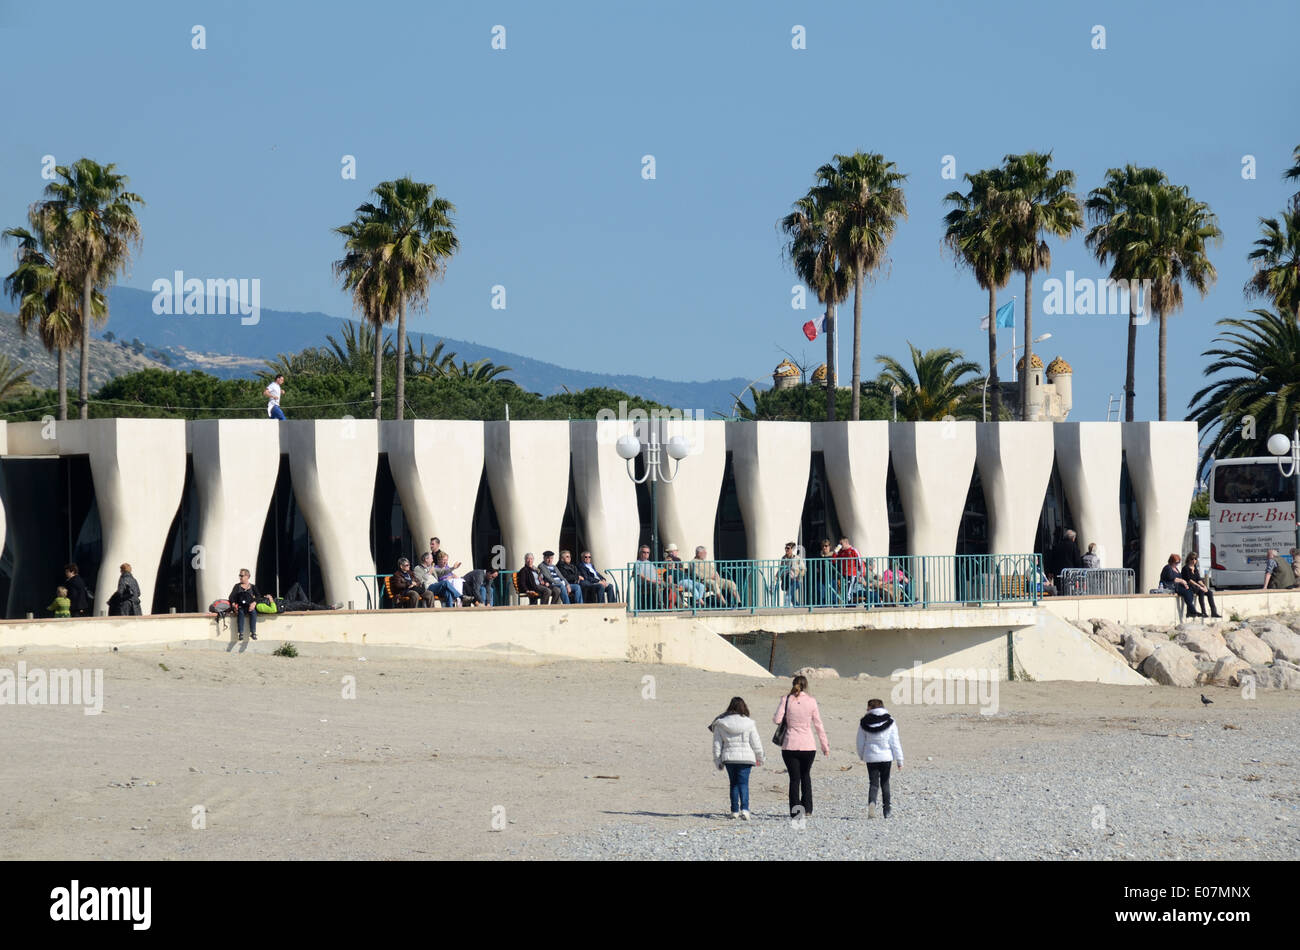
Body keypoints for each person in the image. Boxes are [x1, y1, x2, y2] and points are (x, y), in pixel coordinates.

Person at [772, 674, 830, 819]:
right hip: (808, 746)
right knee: (806, 776)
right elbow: (818, 725)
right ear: (806, 685)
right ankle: (808, 809)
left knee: (794, 779)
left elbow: (777, 719)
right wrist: (825, 745)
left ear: (793, 684)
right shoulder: (811, 701)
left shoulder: (786, 699)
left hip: (790, 745)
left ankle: (796, 811)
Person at [711, 696, 764, 820]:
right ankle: (745, 810)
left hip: (729, 758)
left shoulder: (721, 723)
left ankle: (734, 811)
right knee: (744, 784)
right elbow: (756, 742)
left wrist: (717, 760)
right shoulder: (749, 723)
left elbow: (717, 743)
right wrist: (760, 757)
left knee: (733, 784)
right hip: (746, 758)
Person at [856, 698, 904, 819]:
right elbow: (895, 742)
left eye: (867, 707)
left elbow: (860, 742)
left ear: (871, 708)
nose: (866, 710)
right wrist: (899, 759)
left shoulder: (864, 722)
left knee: (873, 783)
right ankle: (887, 810)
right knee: (885, 783)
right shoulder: (890, 721)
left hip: (871, 757)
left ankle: (872, 803)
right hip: (886, 757)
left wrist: (862, 755)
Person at [1181, 551, 1220, 619]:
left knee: (1209, 592)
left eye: (1195, 559)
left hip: (1197, 586)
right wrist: (1199, 586)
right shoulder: (1185, 568)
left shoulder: (1195, 568)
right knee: (1201, 592)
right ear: (1189, 559)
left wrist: (1204, 586)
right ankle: (1203, 612)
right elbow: (1189, 580)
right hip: (1190, 586)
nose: (1194, 561)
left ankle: (1214, 612)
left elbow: (1198, 579)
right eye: (1192, 559)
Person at [229, 569, 263, 639]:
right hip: (241, 606)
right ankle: (240, 633)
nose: (240, 577)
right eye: (240, 576)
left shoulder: (253, 587)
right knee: (240, 613)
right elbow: (231, 596)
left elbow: (259, 596)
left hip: (250, 607)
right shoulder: (237, 586)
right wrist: (233, 604)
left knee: (253, 613)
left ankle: (253, 632)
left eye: (242, 575)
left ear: (247, 576)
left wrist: (254, 603)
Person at [1051, 529, 1083, 594]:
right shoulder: (1073, 546)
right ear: (1073, 538)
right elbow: (1077, 559)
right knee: (1070, 588)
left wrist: (1051, 570)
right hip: (1070, 571)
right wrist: (1079, 568)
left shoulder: (1058, 545)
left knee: (1060, 588)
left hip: (1058, 571)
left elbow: (1053, 558)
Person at [832, 537, 864, 603]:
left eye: (841, 544)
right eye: (839, 544)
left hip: (852, 574)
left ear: (846, 543)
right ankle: (849, 604)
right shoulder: (841, 552)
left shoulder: (853, 550)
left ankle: (849, 605)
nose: (840, 545)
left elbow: (860, 562)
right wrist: (835, 552)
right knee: (845, 591)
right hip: (843, 575)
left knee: (848, 591)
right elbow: (834, 561)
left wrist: (861, 574)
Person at [777, 542, 804, 606]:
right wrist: (776, 577)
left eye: (788, 548)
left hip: (795, 580)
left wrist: (799, 576)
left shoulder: (797, 558)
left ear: (792, 549)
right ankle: (798, 607)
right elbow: (781, 569)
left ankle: (786, 610)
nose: (786, 550)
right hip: (787, 580)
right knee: (792, 598)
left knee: (788, 595)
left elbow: (803, 569)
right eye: (785, 548)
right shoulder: (783, 558)